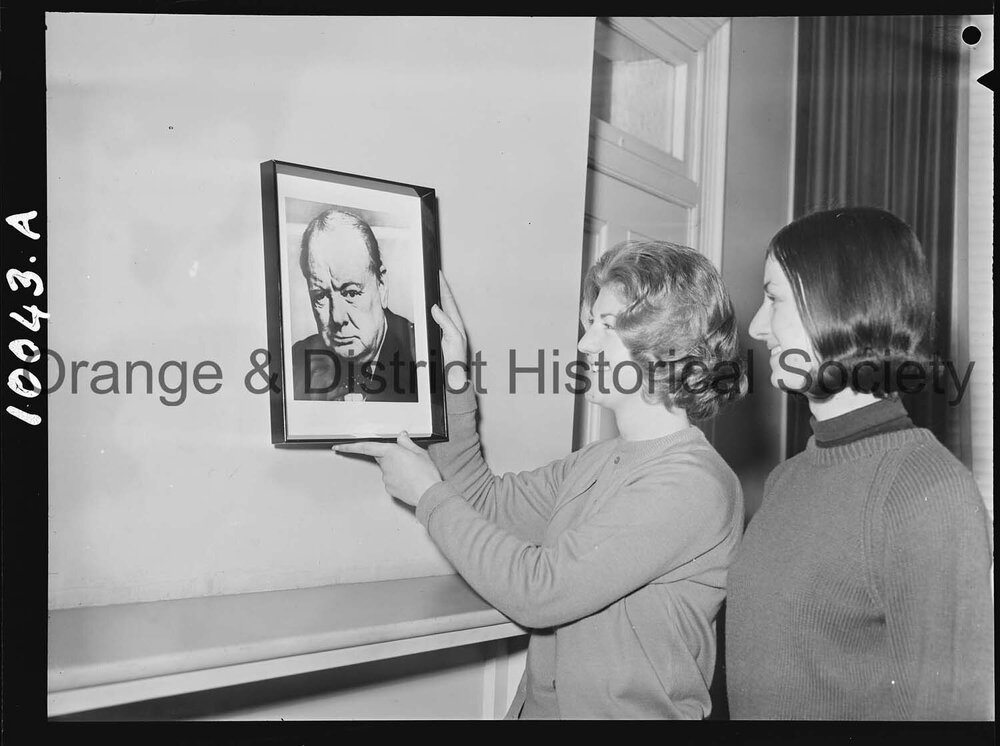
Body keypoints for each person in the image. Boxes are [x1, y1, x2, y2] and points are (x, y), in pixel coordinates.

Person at [336, 241, 747, 718]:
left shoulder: (694, 485)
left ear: (666, 346)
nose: (584, 343)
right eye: (589, 323)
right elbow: (483, 501)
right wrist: (451, 372)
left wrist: (427, 494)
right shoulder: (596, 462)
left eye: (606, 326)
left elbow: (540, 591)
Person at [726, 207, 994, 720]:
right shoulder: (789, 477)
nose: (758, 326)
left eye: (774, 298)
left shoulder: (929, 491)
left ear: (840, 304)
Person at [291, 208, 417, 402]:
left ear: (381, 285)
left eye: (351, 293)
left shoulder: (422, 357)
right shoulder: (298, 361)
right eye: (320, 296)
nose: (337, 318)